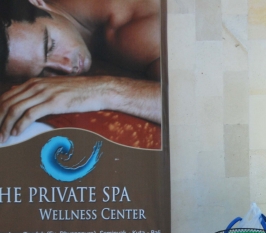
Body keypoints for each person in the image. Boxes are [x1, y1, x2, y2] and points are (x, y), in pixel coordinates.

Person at [0, 0, 161, 143]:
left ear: (37, 2)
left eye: (50, 46)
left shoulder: (140, 30)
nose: (67, 68)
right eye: (44, 72)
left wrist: (102, 90)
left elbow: (183, 104)